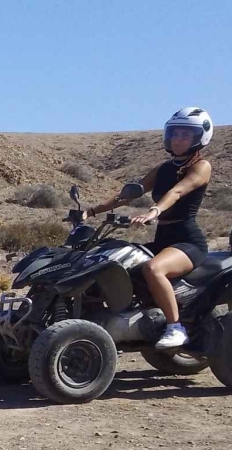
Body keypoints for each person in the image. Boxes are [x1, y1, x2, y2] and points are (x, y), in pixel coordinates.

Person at [82, 107, 214, 350]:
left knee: (154, 269)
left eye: (185, 134)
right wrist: (90, 211)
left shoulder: (201, 166)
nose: (178, 139)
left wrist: (154, 211)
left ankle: (175, 327)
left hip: (188, 242)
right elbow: (129, 194)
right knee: (117, 262)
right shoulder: (163, 169)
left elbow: (177, 191)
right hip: (163, 238)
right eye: (175, 133)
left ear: (199, 137)